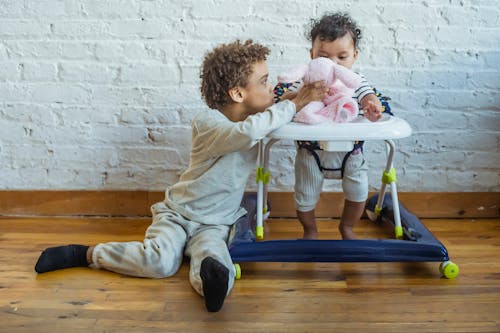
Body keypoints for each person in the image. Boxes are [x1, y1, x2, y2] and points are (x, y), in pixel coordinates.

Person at [34, 40, 328, 312]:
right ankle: (85, 255)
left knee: (215, 259)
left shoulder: (258, 118)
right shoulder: (209, 122)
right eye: (264, 82)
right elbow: (246, 133)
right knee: (160, 262)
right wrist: (293, 104)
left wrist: (293, 101)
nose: (271, 87)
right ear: (238, 93)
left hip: (216, 222)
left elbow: (264, 120)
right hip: (179, 214)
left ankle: (213, 285)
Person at [275, 12, 388, 240]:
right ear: (312, 55)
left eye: (342, 57)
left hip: (351, 152)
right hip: (311, 151)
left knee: (358, 194)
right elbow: (281, 97)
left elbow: (369, 96)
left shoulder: (357, 81)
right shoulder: (305, 80)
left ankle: (347, 228)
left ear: (354, 56)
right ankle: (310, 230)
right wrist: (300, 96)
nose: (332, 64)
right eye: (324, 56)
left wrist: (372, 106)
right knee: (304, 196)